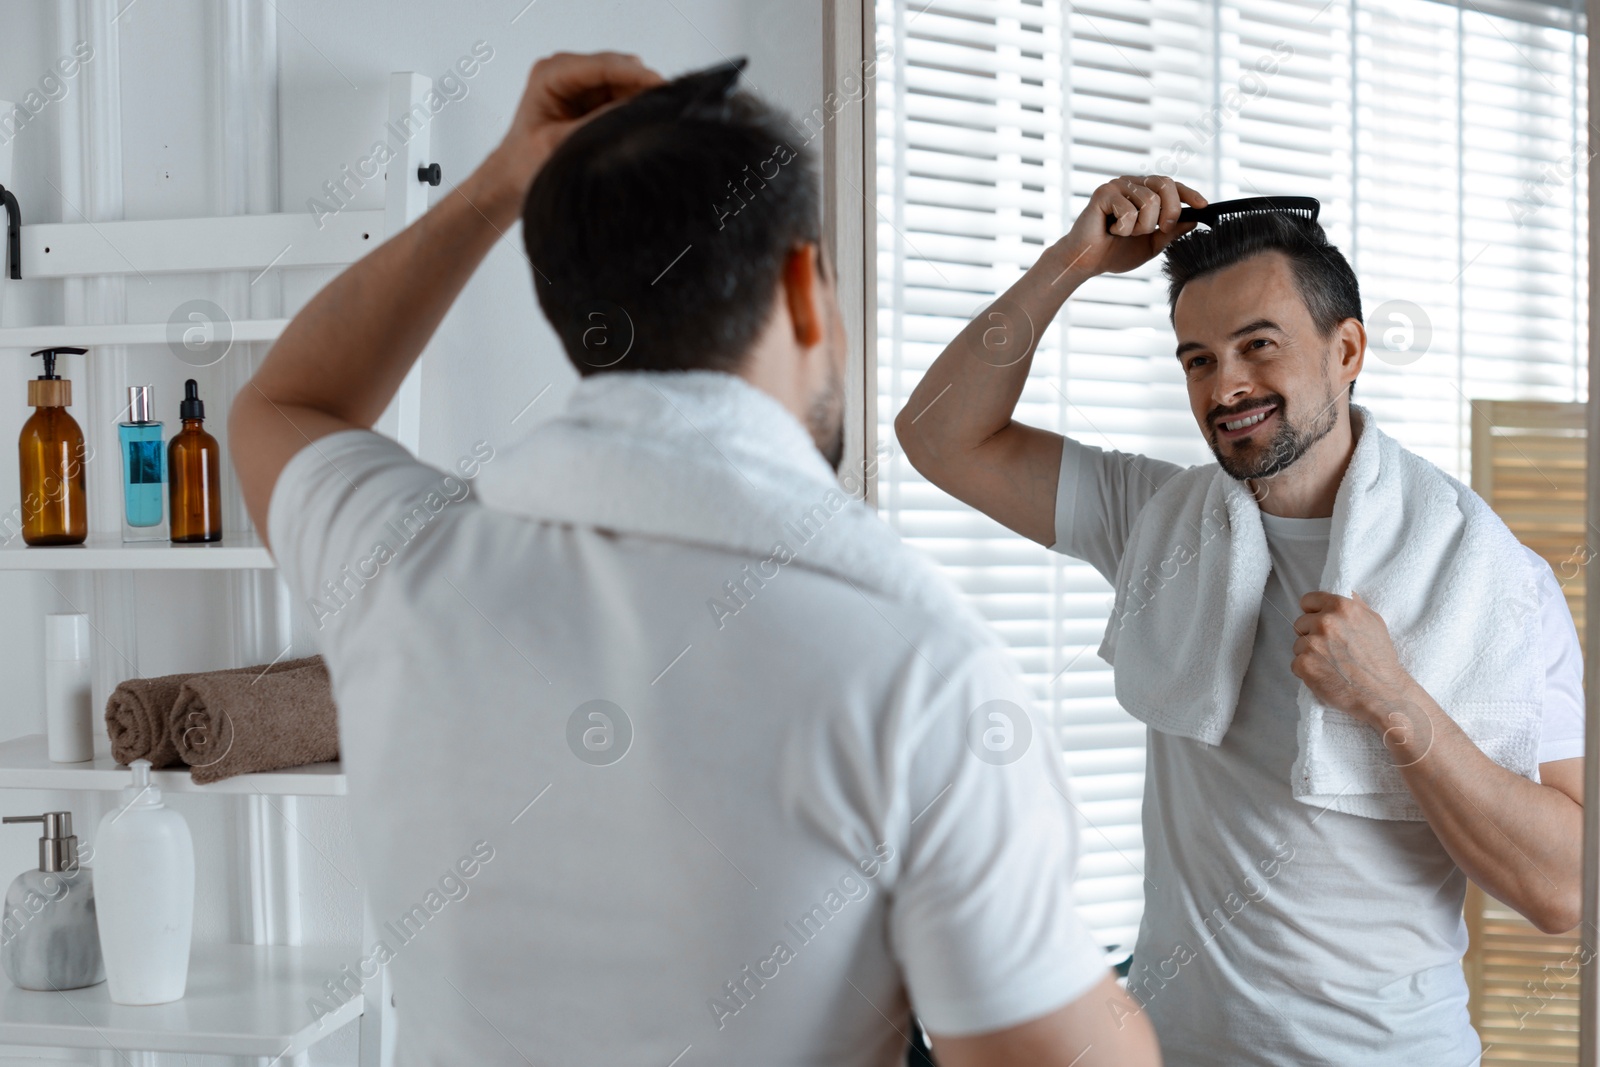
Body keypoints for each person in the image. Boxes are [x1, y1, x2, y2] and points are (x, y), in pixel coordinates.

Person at [230, 52, 1160, 1067]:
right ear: (805, 287)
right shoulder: (918, 672)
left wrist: (506, 178)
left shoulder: (398, 568)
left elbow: (284, 405)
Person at [895, 174, 1587, 1065]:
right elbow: (939, 435)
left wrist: (1392, 701)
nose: (1227, 385)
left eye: (1259, 346)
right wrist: (1072, 263)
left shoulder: (1492, 578)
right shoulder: (1157, 520)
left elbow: (1563, 886)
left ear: (1348, 349)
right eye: (1197, 358)